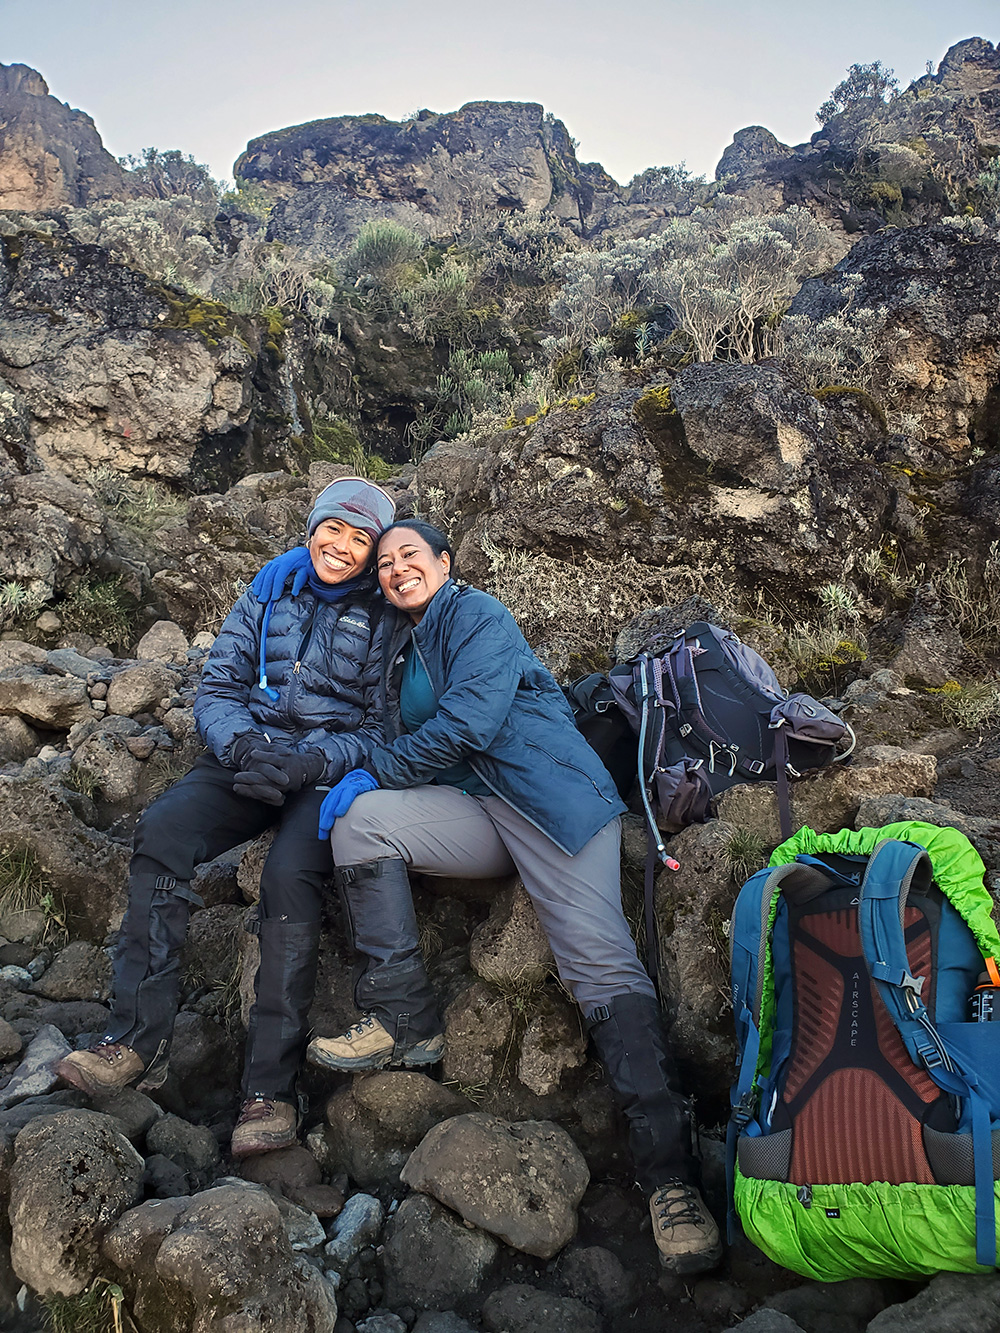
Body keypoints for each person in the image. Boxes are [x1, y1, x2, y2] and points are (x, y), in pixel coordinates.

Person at [305, 519, 722, 1276]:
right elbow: (385, 735)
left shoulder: (479, 615)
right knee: (360, 825)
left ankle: (671, 1181)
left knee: (597, 962)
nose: (398, 569)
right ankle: (405, 1019)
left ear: (444, 563)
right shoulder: (399, 648)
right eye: (387, 562)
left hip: (547, 798)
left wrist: (385, 767)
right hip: (477, 813)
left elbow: (471, 721)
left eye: (412, 556)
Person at [55, 476, 396, 1158]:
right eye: (334, 529)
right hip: (247, 752)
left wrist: (310, 764)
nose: (343, 546)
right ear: (311, 528)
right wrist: (241, 743)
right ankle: (134, 1042)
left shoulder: (387, 612)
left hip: (316, 775)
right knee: (164, 831)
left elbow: (379, 726)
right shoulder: (268, 588)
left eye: (361, 539)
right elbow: (218, 685)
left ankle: (269, 1091)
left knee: (289, 877)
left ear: (374, 550)